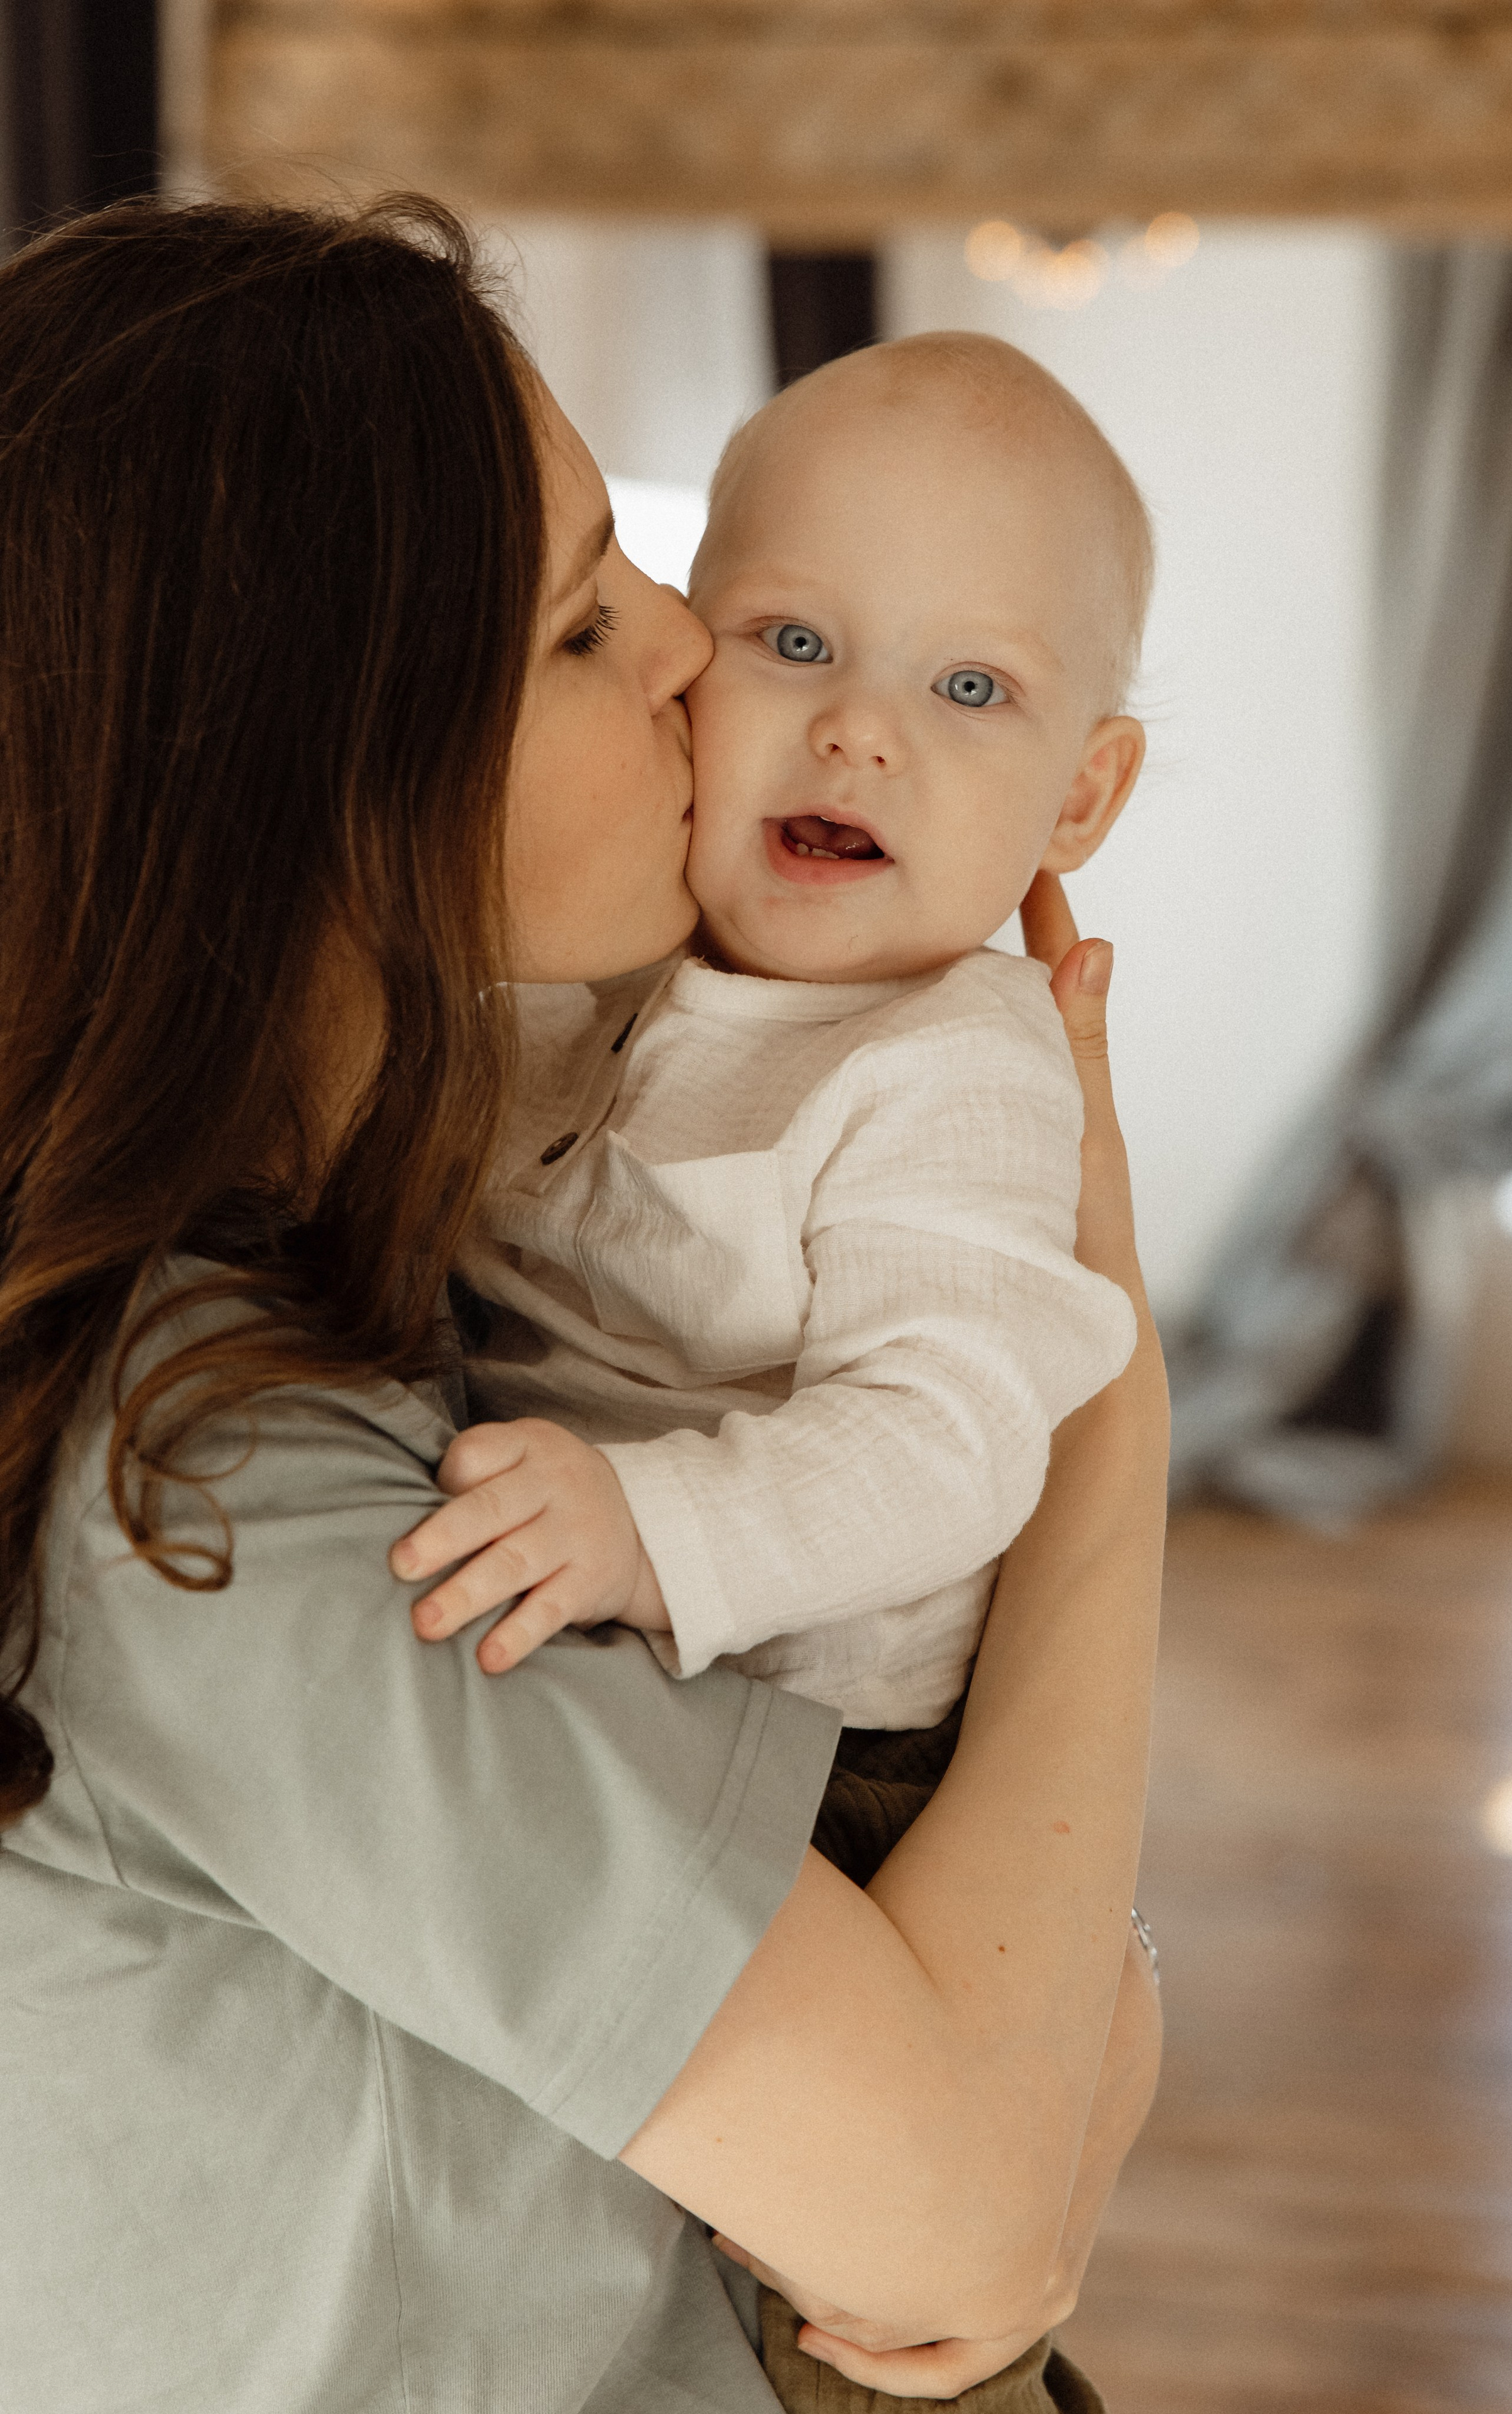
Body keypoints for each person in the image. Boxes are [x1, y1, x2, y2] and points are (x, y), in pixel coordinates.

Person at [0, 196, 1167, 2411]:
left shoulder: (363, 1244)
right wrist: (1114, 1369)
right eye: (579, 623)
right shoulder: (200, 1481)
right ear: (319, 789)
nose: (690, 653)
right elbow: (957, 2225)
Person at [397, 334, 1149, 1749]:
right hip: (568, 1630)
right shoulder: (604, 943)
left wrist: (649, 1523)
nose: (858, 731)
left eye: (970, 688)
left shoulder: (948, 1061)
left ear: (1079, 797)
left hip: (814, 1741)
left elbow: (945, 1436)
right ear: (687, 651)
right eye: (795, 644)